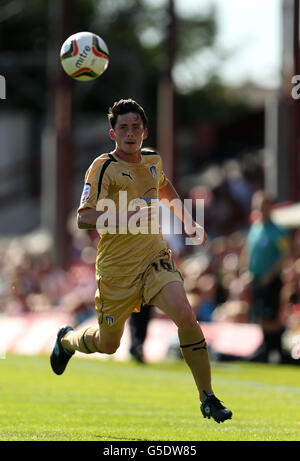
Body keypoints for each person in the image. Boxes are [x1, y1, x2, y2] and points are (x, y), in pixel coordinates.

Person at [50, 99, 232, 424]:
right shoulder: (102, 167)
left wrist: (187, 220)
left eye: (136, 127)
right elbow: (84, 217)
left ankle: (207, 397)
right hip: (116, 272)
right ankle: (67, 340)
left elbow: (164, 187)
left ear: (144, 132)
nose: (130, 133)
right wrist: (126, 215)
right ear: (113, 133)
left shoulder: (152, 160)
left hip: (154, 259)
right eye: (124, 128)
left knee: (186, 315)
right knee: (107, 345)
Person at [246, 190, 290, 362]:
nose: (259, 208)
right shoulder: (255, 228)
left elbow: (285, 255)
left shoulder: (277, 231)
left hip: (270, 280)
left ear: (271, 207)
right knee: (260, 315)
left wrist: (270, 274)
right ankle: (268, 349)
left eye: (263, 205)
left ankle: (276, 349)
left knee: (270, 317)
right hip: (256, 278)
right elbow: (249, 251)